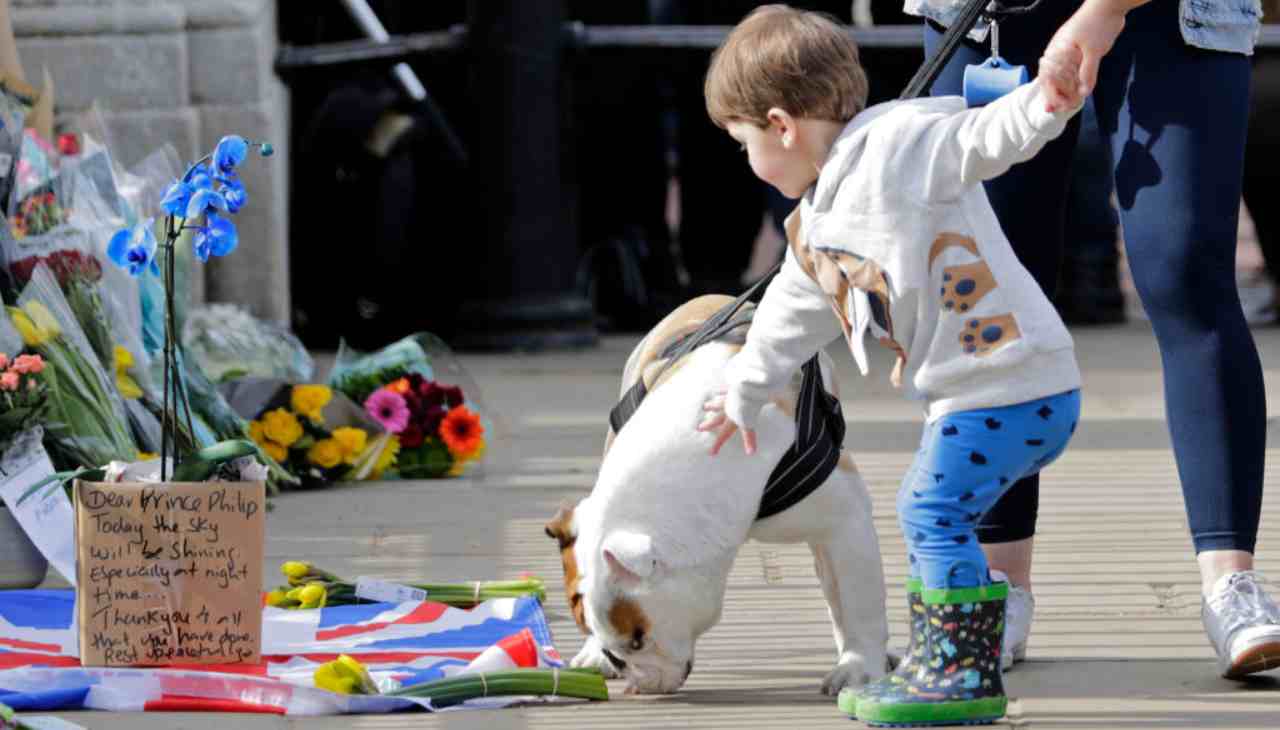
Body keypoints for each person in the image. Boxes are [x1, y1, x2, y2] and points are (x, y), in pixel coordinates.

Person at [694, 6, 1086, 725]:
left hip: (1014, 380)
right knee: (943, 511)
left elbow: (982, 137)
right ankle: (952, 652)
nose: (748, 160)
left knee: (928, 509)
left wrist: (1044, 101)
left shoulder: (899, 143)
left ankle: (960, 671)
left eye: (742, 141)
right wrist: (744, 390)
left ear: (780, 124)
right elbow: (789, 313)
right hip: (986, 392)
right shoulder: (819, 220)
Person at [910, 0, 1280, 683]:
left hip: (1177, 14)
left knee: (1185, 272)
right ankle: (995, 582)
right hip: (988, 14)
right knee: (988, 281)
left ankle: (1232, 585)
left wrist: (1103, 11)